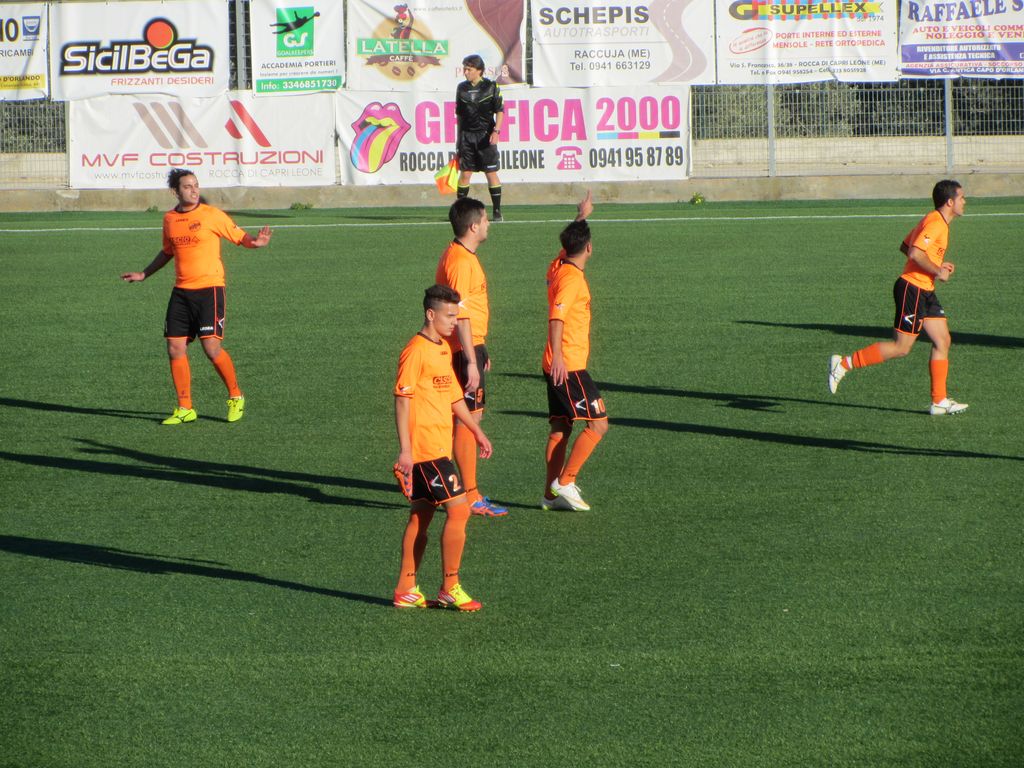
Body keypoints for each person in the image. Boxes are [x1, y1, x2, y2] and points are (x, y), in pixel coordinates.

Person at [121, 168, 272, 425]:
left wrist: (255, 242)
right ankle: (185, 408)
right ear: (176, 191)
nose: (194, 190)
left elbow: (239, 236)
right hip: (181, 292)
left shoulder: (212, 215)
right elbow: (167, 251)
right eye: (188, 186)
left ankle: (236, 395)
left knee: (211, 348)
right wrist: (144, 274)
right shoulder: (170, 219)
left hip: (210, 289)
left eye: (196, 185)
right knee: (175, 347)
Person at [828, 180, 968, 415]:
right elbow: (914, 252)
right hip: (912, 289)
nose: (965, 201)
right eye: (962, 197)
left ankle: (939, 401)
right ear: (950, 202)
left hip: (925, 289)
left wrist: (936, 263)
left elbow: (906, 246)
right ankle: (843, 364)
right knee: (901, 348)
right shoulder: (936, 223)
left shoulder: (935, 221)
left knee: (942, 340)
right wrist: (938, 271)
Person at [393, 284, 493, 611]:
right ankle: (450, 586)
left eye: (456, 315)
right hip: (425, 451)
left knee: (421, 516)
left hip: (439, 448)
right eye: (449, 316)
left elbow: (453, 397)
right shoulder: (415, 351)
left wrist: (476, 431)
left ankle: (405, 589)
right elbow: (402, 400)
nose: (455, 322)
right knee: (460, 510)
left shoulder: (442, 349)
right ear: (430, 314)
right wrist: (405, 451)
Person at [435, 197, 507, 517]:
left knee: (465, 419)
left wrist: (480, 346)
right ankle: (470, 495)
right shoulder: (461, 262)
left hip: (469, 345)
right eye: (486, 219)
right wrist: (470, 359)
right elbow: (460, 313)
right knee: (468, 420)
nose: (489, 224)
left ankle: (454, 488)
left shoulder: (461, 255)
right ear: (473, 226)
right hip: (461, 349)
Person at [541, 191, 609, 511]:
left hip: (555, 362)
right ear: (590, 248)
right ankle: (565, 481)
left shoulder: (559, 265)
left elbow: (570, 243)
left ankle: (549, 496)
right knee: (598, 424)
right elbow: (557, 316)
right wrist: (559, 357)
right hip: (567, 365)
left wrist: (581, 217)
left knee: (561, 427)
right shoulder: (571, 279)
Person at [455, 54, 505, 222]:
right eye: (465, 69)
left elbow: (500, 110)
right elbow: (460, 116)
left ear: (479, 70)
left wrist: (496, 131)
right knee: (465, 173)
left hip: (485, 136)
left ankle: (497, 211)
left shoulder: (491, 86)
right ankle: (460, 212)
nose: (465, 72)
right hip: (467, 136)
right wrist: (458, 141)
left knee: (491, 172)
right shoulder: (461, 88)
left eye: (469, 69)